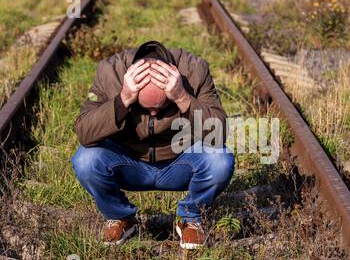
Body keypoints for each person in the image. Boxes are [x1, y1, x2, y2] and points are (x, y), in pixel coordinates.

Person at [71, 40, 234, 249]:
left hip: (181, 161)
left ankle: (190, 218)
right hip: (127, 162)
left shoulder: (195, 70)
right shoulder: (109, 71)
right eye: (145, 108)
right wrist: (123, 100)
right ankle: (120, 217)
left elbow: (219, 133)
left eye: (161, 107)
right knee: (85, 160)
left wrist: (182, 98)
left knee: (220, 160)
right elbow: (84, 131)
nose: (153, 114)